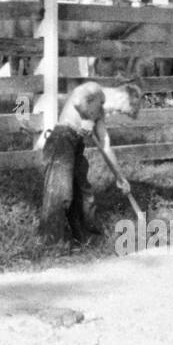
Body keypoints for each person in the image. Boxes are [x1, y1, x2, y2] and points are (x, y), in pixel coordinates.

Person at [38, 79, 143, 242]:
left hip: (76, 145)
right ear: (123, 96)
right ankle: (50, 242)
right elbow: (77, 100)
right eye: (121, 110)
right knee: (60, 193)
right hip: (62, 139)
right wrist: (86, 118)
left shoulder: (100, 113)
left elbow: (105, 145)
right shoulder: (95, 89)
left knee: (84, 194)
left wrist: (120, 177)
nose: (115, 114)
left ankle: (87, 239)